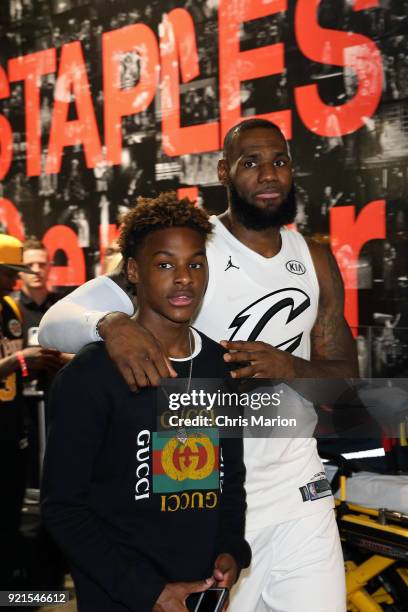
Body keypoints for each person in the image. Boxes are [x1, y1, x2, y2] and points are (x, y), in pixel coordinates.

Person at [39, 118, 358, 611]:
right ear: (224, 172)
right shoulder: (191, 244)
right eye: (250, 163)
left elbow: (347, 387)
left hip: (296, 488)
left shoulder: (313, 258)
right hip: (200, 496)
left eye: (279, 162)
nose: (268, 175)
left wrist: (289, 367)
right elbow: (58, 321)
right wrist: (111, 324)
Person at [41, 194, 250, 612]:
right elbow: (63, 508)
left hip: (200, 592)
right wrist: (147, 591)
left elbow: (229, 480)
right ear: (134, 271)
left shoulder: (219, 366)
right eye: (165, 264)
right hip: (120, 598)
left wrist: (230, 551)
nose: (184, 278)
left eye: (195, 263)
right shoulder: (91, 374)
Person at [0, 234, 62, 588]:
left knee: (11, 506)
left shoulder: (10, 310)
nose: (14, 280)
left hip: (12, 421)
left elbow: (20, 370)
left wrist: (30, 364)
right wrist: (21, 360)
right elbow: (16, 362)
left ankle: (11, 587)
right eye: (8, 272)